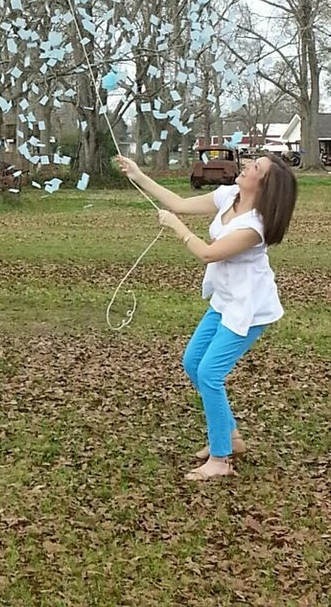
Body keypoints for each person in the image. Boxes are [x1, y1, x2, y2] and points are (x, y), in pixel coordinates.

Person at [115, 153, 297, 482]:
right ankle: (231, 437)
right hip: (225, 299)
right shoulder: (230, 195)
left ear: (265, 184)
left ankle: (220, 458)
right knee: (193, 362)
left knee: (210, 374)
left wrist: (176, 227)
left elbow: (208, 253)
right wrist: (139, 175)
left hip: (250, 308)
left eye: (255, 167)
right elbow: (180, 203)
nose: (246, 166)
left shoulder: (254, 227)